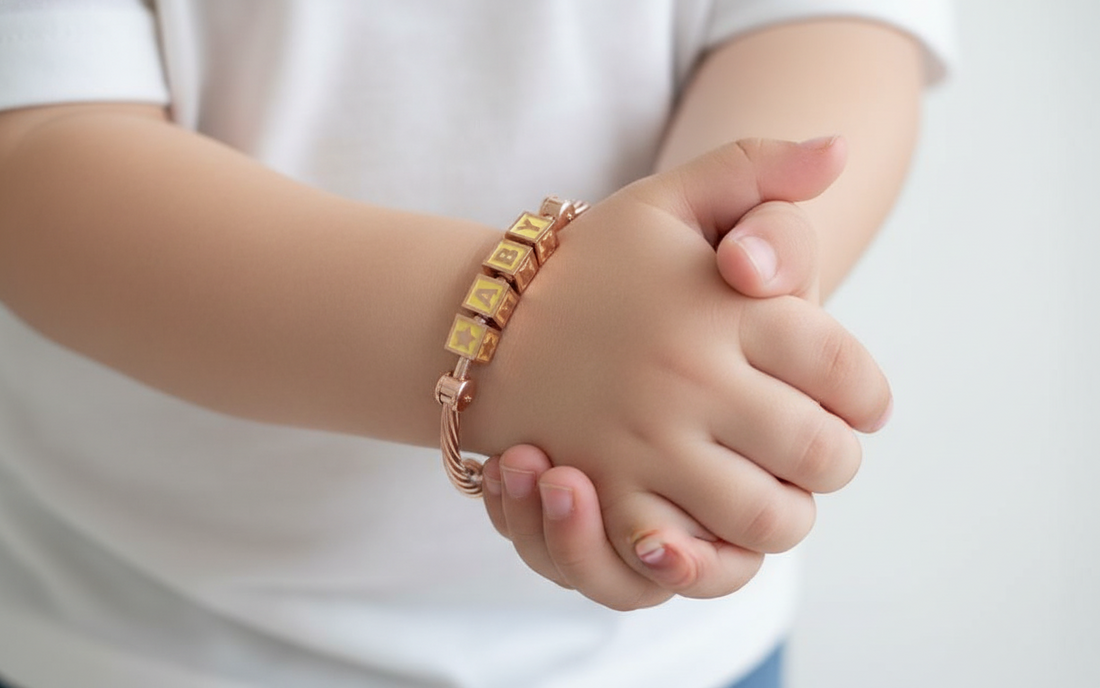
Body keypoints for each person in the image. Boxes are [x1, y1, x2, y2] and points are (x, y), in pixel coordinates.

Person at [0, 2, 952, 687]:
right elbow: (35, 150)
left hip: (669, 654)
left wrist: (720, 276)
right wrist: (528, 336)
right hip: (141, 636)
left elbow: (836, 29)